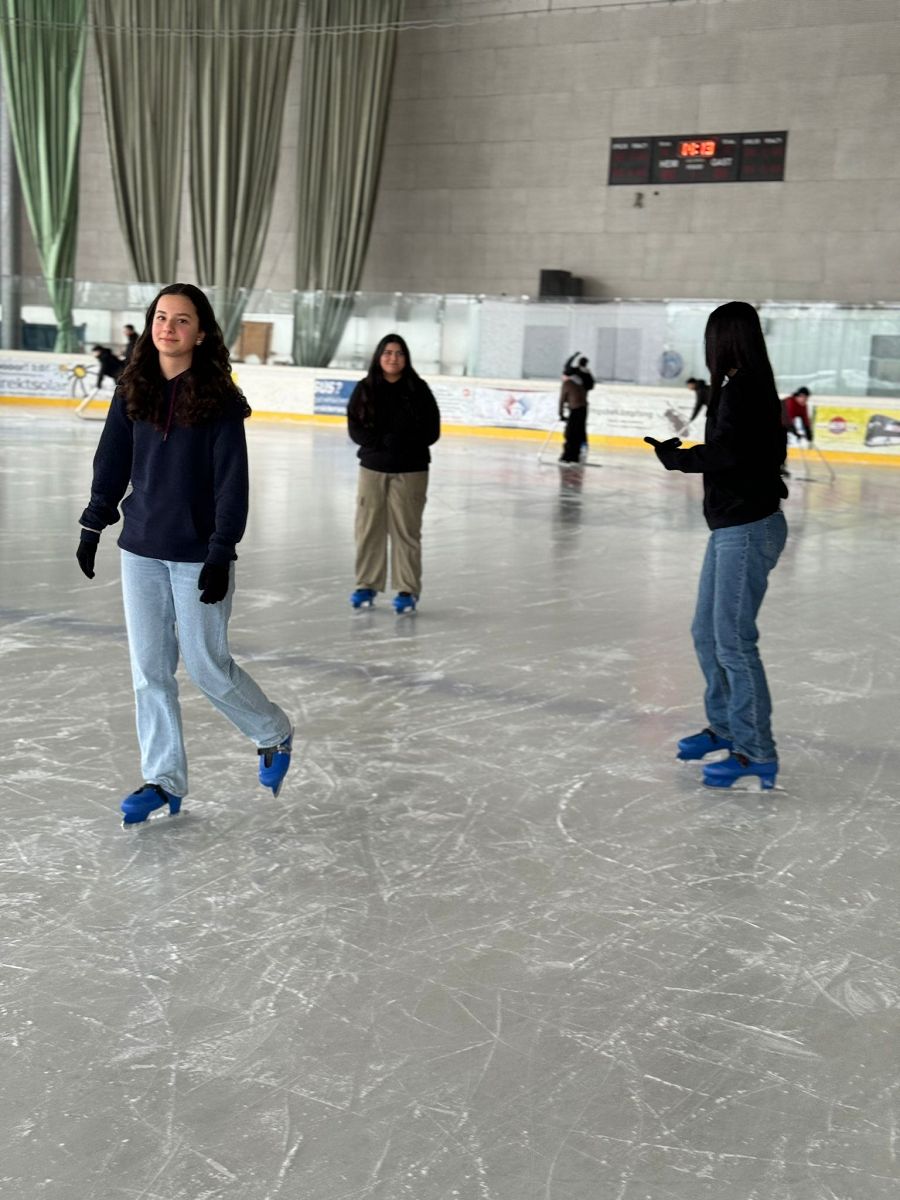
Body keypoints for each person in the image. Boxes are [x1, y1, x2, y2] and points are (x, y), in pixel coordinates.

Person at [76, 283, 293, 824]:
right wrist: (94, 522)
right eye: (160, 317)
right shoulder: (133, 389)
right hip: (141, 548)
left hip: (198, 553)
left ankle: (272, 732)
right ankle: (164, 780)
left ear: (200, 333)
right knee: (149, 671)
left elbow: (232, 483)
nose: (167, 328)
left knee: (206, 665)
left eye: (181, 320)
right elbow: (111, 460)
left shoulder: (218, 400)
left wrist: (220, 551)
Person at [644, 300, 788, 790]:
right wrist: (685, 455)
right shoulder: (745, 385)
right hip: (734, 526)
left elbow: (728, 454)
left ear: (722, 339)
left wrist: (679, 459)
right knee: (707, 633)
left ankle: (755, 751)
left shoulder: (743, 388)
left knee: (733, 641)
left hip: (747, 527)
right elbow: (743, 453)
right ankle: (726, 727)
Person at [346, 333, 441, 614]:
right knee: (368, 529)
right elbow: (355, 427)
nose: (393, 358)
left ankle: (407, 590)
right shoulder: (365, 388)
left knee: (406, 531)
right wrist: (379, 443)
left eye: (399, 353)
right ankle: (366, 584)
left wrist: (404, 443)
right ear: (379, 356)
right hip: (373, 469)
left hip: (411, 471)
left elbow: (432, 430)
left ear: (406, 358)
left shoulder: (418, 389)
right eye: (387, 353)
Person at [558, 371, 588, 463]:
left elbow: (562, 399)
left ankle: (567, 456)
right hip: (583, 410)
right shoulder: (580, 382)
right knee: (578, 433)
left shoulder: (567, 383)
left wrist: (561, 414)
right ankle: (575, 456)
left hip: (575, 410)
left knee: (569, 434)